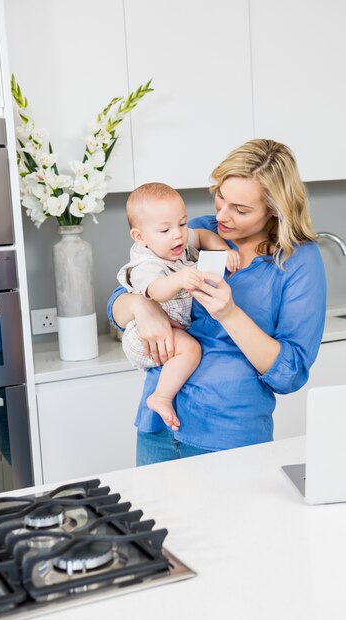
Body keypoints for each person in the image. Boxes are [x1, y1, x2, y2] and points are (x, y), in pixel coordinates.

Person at [107, 139, 327, 466]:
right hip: (157, 427)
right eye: (220, 198)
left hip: (228, 435)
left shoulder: (298, 262)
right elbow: (118, 303)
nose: (222, 215)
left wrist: (229, 314)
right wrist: (142, 307)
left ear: (274, 209)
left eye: (241, 210)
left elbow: (289, 374)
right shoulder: (197, 232)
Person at [117, 182, 240, 431]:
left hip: (167, 327)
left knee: (188, 346)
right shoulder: (146, 264)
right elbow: (156, 291)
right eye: (165, 230)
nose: (178, 234)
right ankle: (160, 397)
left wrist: (223, 249)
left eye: (182, 224)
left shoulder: (178, 241)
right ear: (140, 238)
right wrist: (179, 279)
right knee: (191, 350)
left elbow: (203, 235)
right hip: (143, 337)